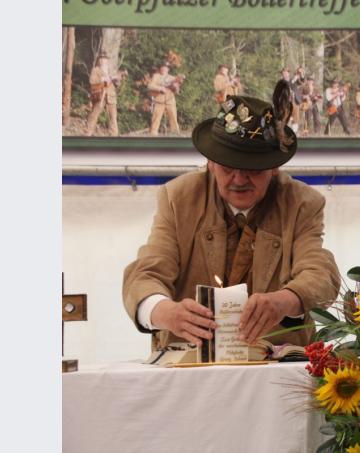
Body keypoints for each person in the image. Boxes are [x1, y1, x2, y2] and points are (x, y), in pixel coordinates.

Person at [123, 80, 340, 351]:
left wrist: (285, 300)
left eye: (253, 169)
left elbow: (320, 274)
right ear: (211, 163)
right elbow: (145, 275)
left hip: (275, 370)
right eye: (228, 168)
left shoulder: (302, 203)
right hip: (189, 369)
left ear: (273, 168)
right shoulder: (178, 197)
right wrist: (165, 312)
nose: (239, 179)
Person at [85, 52, 124, 136]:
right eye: (102, 59)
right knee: (94, 115)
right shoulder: (96, 70)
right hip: (100, 96)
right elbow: (92, 82)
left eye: (105, 59)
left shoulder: (111, 71)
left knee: (113, 117)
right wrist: (103, 80)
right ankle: (88, 133)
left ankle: (113, 135)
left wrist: (117, 80)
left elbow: (117, 85)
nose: (103, 61)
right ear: (99, 60)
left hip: (111, 96)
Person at [148, 62, 182, 136]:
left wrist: (176, 87)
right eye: (162, 67)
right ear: (160, 68)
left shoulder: (173, 78)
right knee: (155, 119)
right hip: (159, 101)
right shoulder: (156, 76)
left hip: (170, 101)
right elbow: (150, 86)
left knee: (173, 118)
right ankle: (153, 134)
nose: (163, 69)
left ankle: (175, 134)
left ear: (168, 69)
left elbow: (177, 91)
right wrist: (160, 89)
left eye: (165, 67)